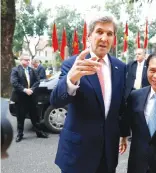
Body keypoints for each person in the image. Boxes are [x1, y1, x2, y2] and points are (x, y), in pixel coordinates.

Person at [50, 12, 129, 173]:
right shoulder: (73, 64)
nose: (104, 38)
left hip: (107, 152)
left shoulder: (120, 67)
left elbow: (121, 105)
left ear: (114, 39)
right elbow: (56, 101)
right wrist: (71, 79)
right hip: (78, 153)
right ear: (89, 36)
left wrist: (123, 133)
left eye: (109, 34)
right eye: (99, 32)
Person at [10, 55, 49, 142]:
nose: (28, 61)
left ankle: (39, 132)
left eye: (29, 60)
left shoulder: (32, 70)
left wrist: (32, 89)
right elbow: (14, 82)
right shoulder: (15, 70)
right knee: (20, 117)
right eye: (26, 60)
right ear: (21, 60)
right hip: (20, 98)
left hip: (31, 97)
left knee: (35, 116)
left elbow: (37, 81)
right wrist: (24, 90)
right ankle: (20, 134)